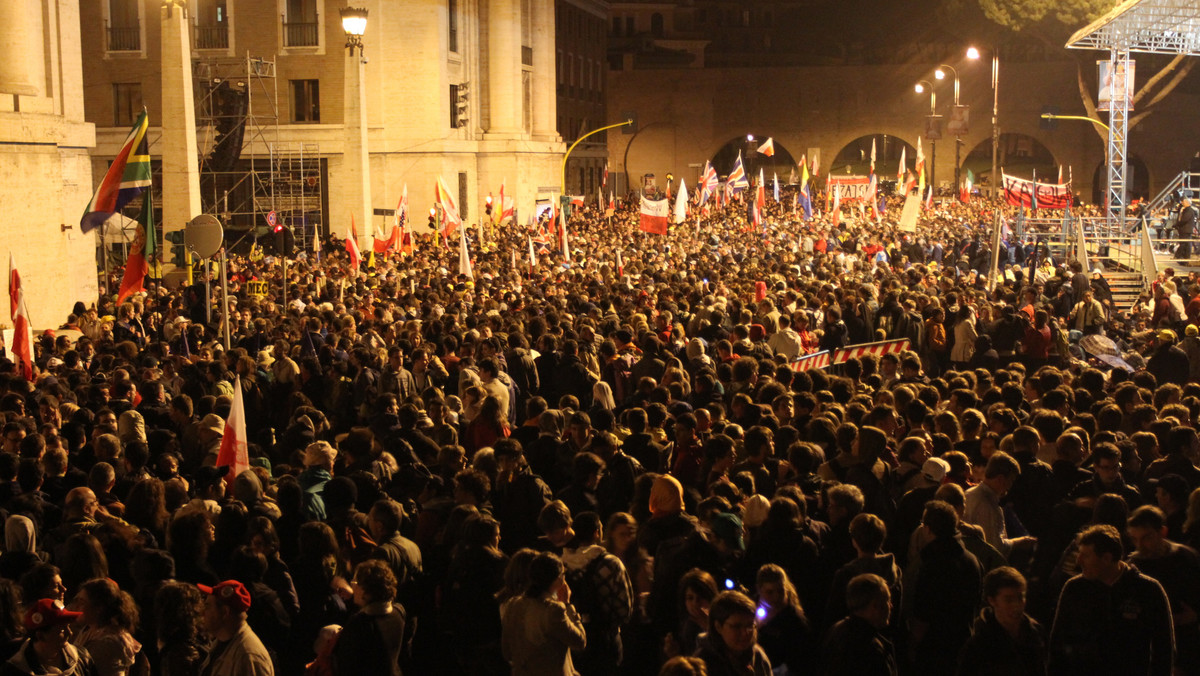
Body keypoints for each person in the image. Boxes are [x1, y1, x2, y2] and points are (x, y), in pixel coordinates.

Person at [1048, 524, 1174, 676]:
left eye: (1086, 555)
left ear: (1107, 558)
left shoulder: (1146, 589)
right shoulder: (1075, 588)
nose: (1078, 561)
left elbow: (1164, 648)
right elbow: (1058, 644)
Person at [500, 552, 587, 676]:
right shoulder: (553, 610)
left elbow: (507, 652)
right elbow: (580, 641)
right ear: (558, 579)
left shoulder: (513, 605)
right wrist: (568, 605)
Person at [957, 567, 1047, 676]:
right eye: (1008, 600)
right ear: (992, 601)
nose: (1016, 606)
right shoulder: (978, 646)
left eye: (1020, 597)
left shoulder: (1036, 634)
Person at [332, 560, 407, 676]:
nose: (352, 584)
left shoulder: (359, 624)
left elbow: (347, 666)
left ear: (365, 590)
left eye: (355, 581)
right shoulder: (398, 612)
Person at [822, 574, 898, 676]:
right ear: (874, 606)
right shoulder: (872, 651)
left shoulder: (835, 631)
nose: (891, 606)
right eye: (887, 600)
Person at [196, 580, 274, 676]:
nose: (202, 612)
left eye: (207, 606)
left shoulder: (248, 656)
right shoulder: (221, 642)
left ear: (225, 612)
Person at [2, 599, 97, 676]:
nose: (70, 633)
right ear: (40, 636)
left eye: (68, 626)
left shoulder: (82, 658)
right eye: (62, 630)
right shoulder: (15, 670)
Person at [71, 578, 143, 676]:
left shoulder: (108, 643)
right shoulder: (88, 629)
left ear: (99, 608)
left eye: (82, 602)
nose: (76, 606)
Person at [691, 590, 772, 676]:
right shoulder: (702, 665)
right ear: (718, 627)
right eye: (737, 626)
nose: (745, 633)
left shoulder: (758, 657)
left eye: (749, 625)